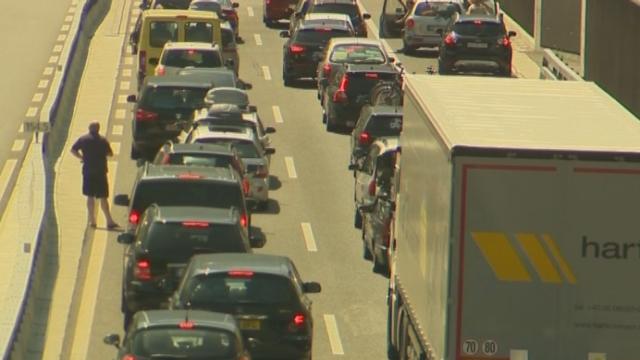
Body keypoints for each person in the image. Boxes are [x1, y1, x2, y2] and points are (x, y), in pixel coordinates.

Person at [70, 121, 120, 229]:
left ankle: (92, 220)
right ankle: (109, 221)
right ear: (98, 129)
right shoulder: (103, 140)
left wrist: (81, 157)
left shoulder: (83, 139)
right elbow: (110, 154)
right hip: (100, 172)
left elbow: (73, 150)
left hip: (88, 171)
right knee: (103, 197)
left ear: (89, 128)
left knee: (90, 196)